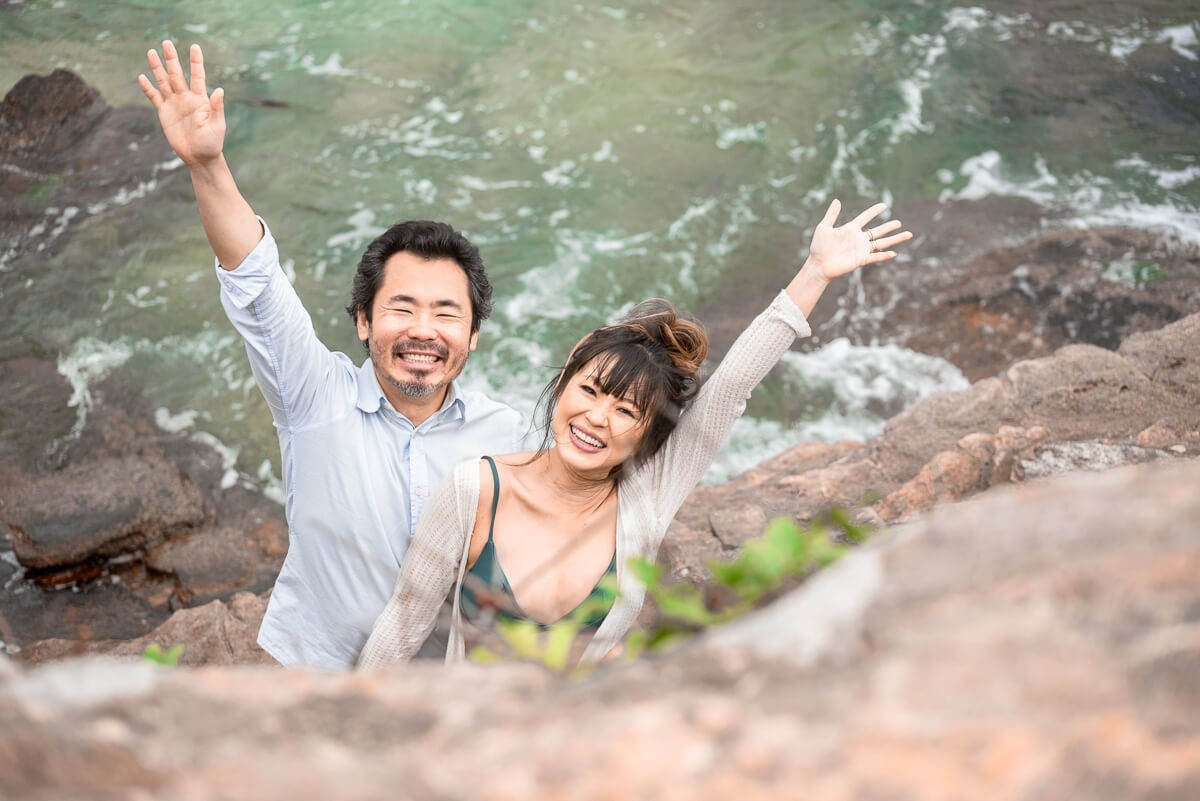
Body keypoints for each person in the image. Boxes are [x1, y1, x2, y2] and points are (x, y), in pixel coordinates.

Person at [357, 199, 912, 669]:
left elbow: (733, 387)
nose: (598, 418)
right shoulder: (473, 489)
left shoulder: (644, 500)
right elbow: (402, 627)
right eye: (591, 392)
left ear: (649, 433)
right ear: (565, 381)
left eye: (627, 411)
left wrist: (814, 272)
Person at [138, 41, 523, 669]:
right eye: (401, 308)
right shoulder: (313, 396)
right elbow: (258, 283)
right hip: (313, 678)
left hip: (444, 690)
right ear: (364, 321)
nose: (424, 330)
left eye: (447, 313)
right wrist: (207, 165)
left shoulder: (508, 436)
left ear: (474, 334)